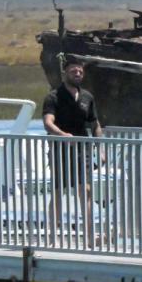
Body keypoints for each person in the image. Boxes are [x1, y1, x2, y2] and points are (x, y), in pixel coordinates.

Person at [42, 58, 103, 244]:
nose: (77, 74)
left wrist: (100, 149)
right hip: (60, 150)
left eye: (80, 72)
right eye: (73, 71)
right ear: (65, 73)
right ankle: (52, 235)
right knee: (59, 191)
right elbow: (48, 123)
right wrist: (62, 134)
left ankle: (90, 236)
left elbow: (95, 124)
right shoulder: (53, 97)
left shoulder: (87, 97)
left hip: (82, 149)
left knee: (85, 190)